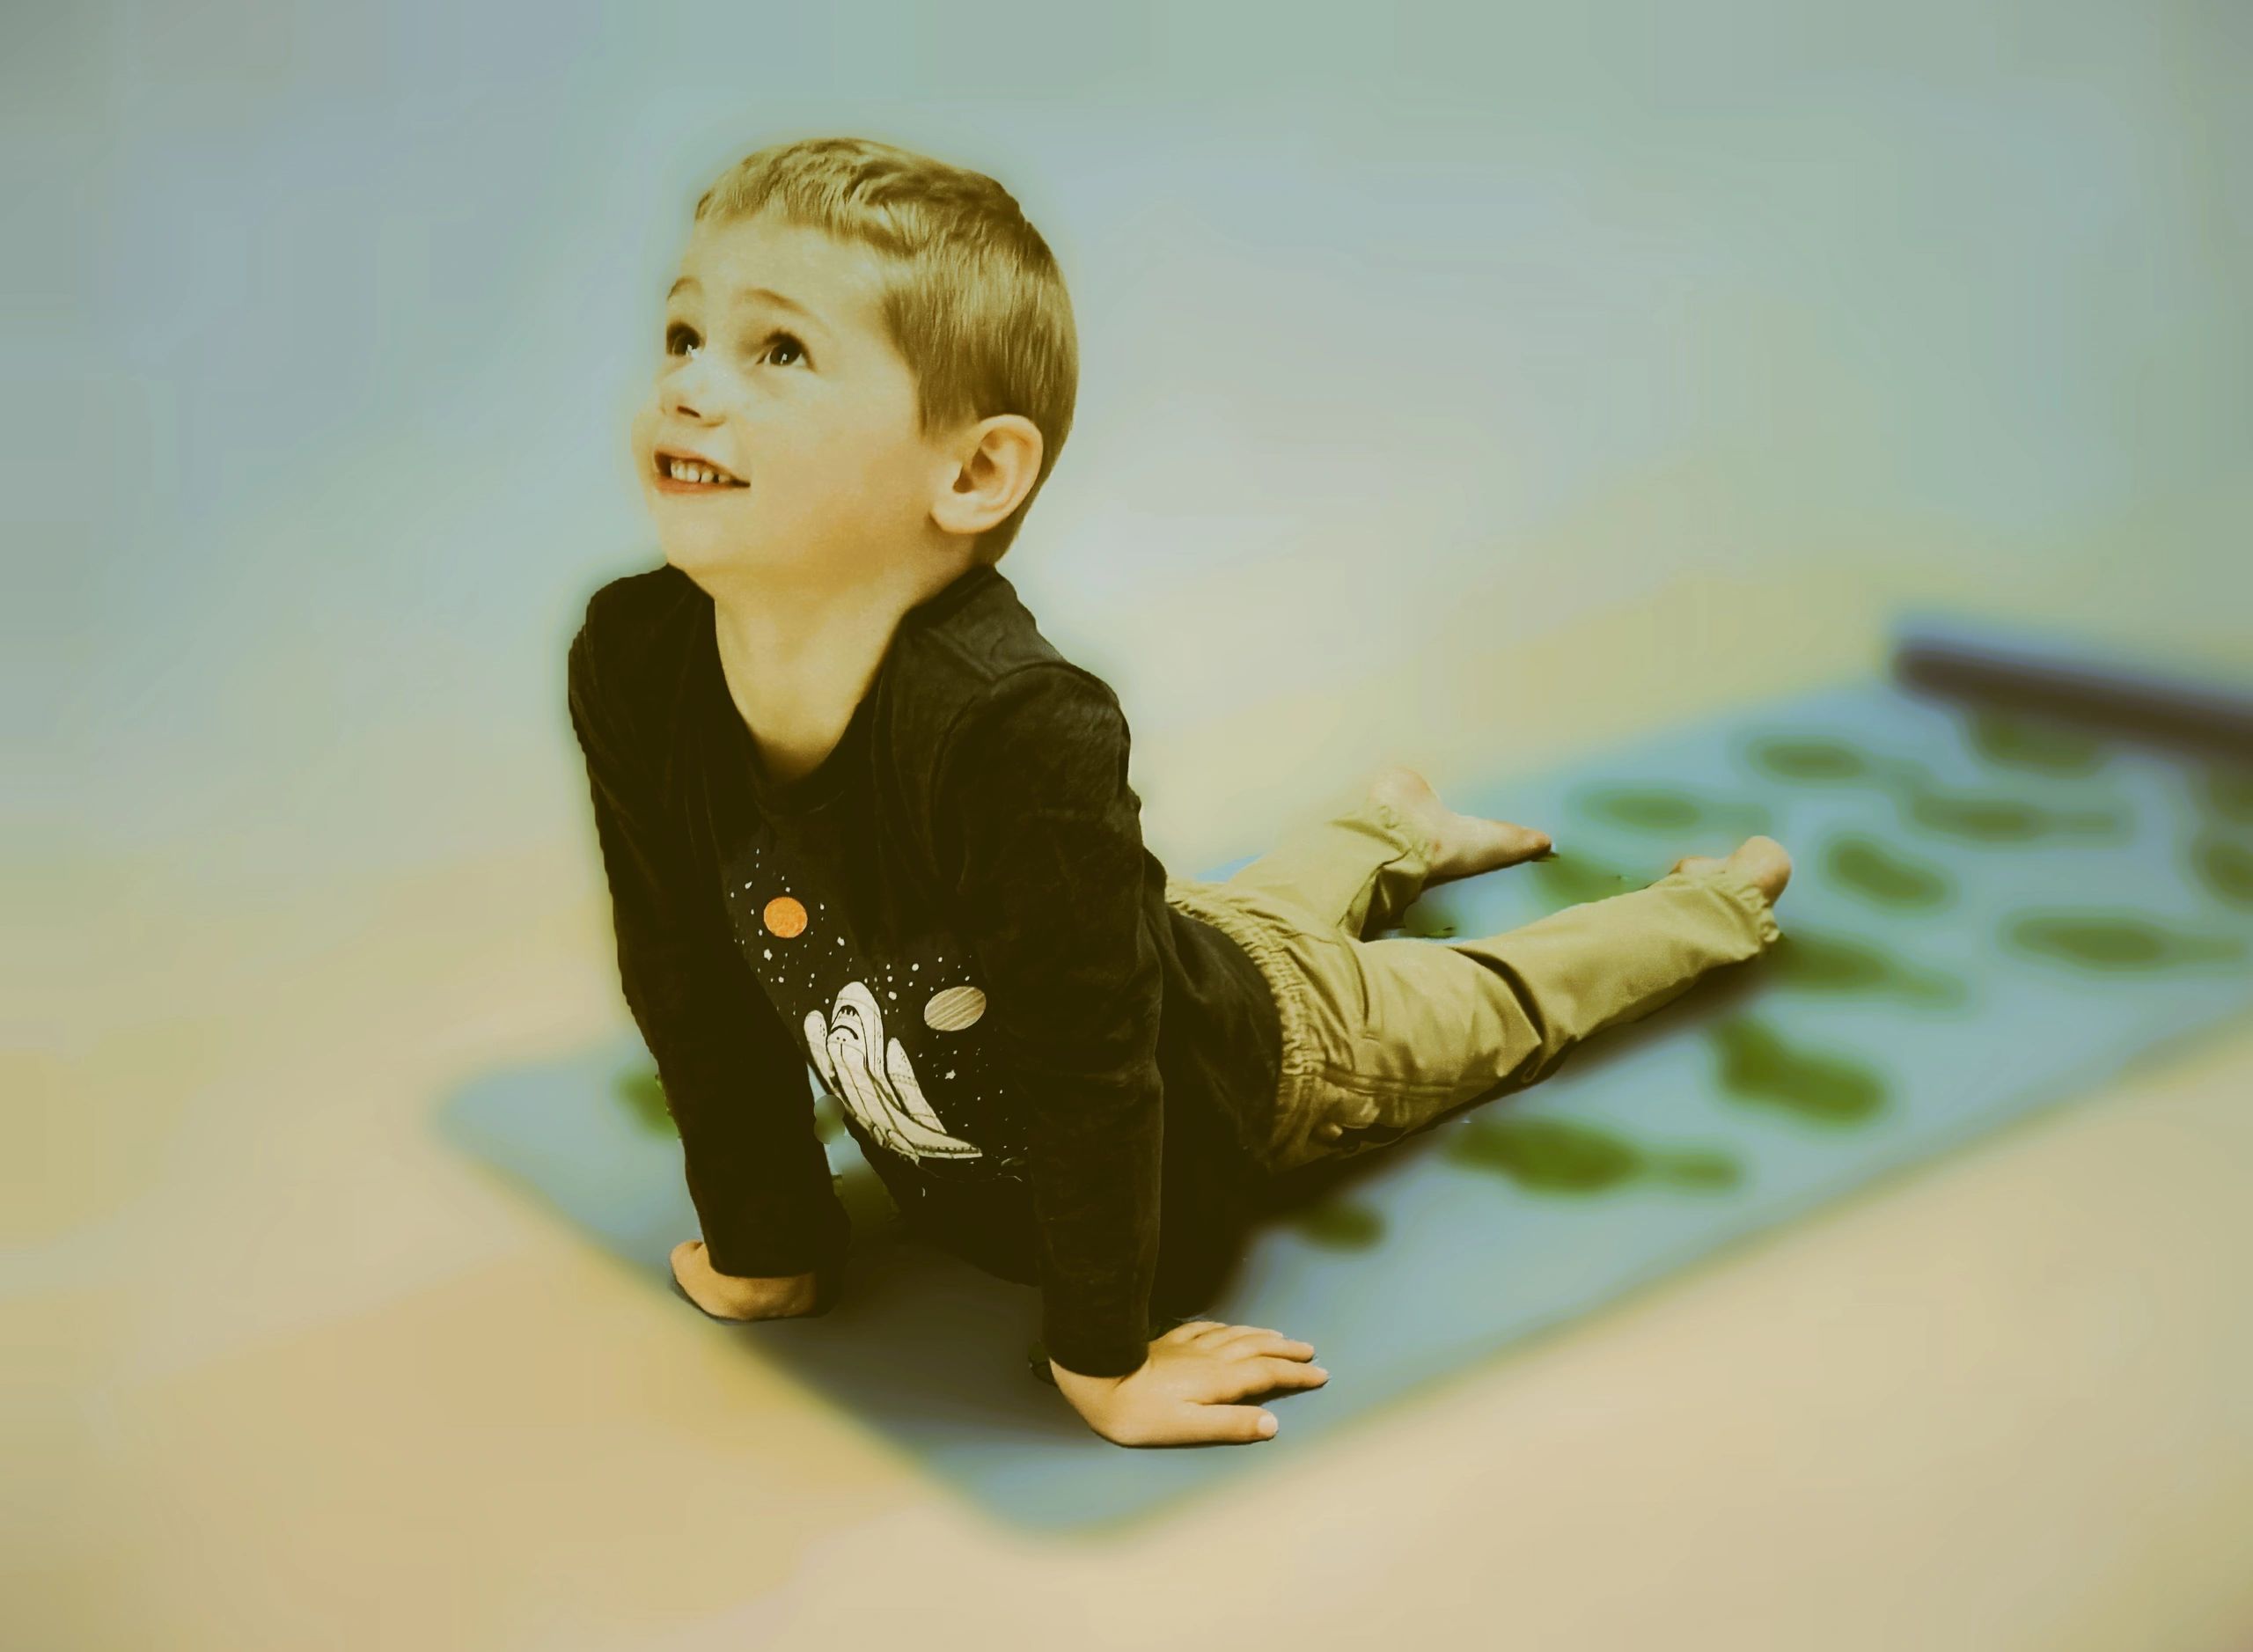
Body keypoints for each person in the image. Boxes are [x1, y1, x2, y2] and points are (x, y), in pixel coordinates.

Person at [566, 136, 1791, 1450]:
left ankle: (1714, 902)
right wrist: (770, 1239)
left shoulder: (1015, 728)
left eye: (781, 351)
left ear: (973, 472)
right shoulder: (638, 663)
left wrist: (1106, 1351)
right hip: (1146, 948)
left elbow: (1100, 1067)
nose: (692, 385)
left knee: (1491, 997)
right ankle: (1398, 824)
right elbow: (684, 967)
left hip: (1266, 1051)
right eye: (684, 333)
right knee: (1225, 921)